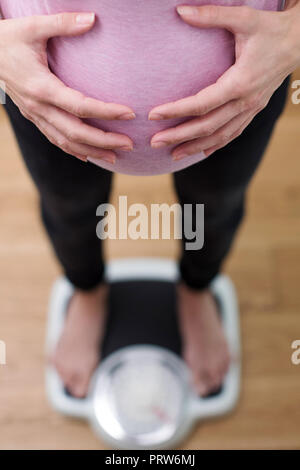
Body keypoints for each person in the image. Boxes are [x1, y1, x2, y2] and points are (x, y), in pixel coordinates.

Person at [0, 1, 298, 398]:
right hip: (38, 84)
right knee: (67, 206)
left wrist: (295, 33)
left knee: (216, 206)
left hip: (247, 84)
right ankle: (86, 290)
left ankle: (197, 289)